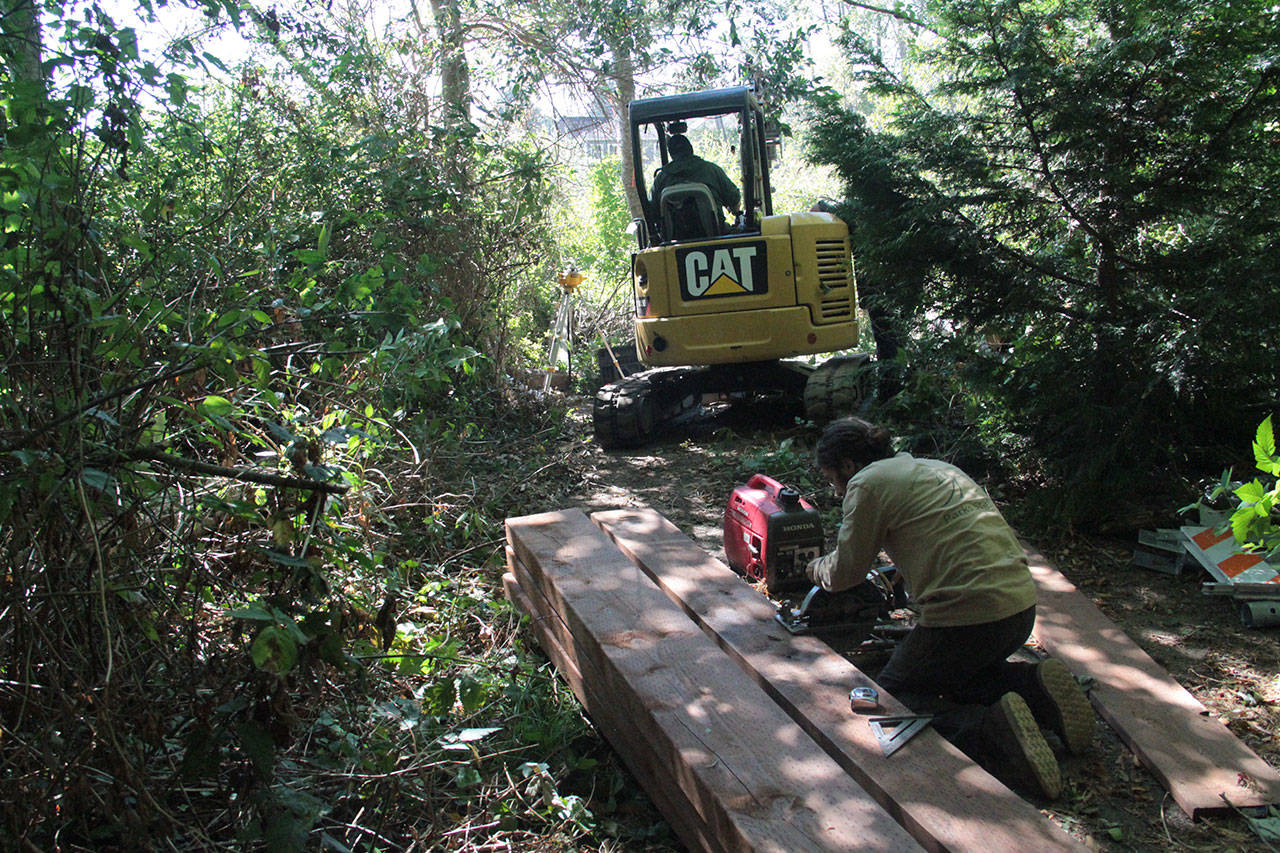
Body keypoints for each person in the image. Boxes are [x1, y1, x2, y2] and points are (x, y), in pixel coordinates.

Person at [806, 417, 1095, 799]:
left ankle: (993, 733)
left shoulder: (867, 483)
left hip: (966, 620)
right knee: (953, 674)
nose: (836, 490)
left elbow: (845, 572)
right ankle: (1034, 689)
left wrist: (813, 569)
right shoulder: (936, 469)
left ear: (846, 466)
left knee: (890, 698)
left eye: (832, 479)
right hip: (1018, 609)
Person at [650, 134, 741, 225]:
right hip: (717, 236)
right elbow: (735, 203)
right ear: (691, 149)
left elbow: (653, 214)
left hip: (675, 238)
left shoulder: (660, 179)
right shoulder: (712, 170)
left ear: (671, 154)